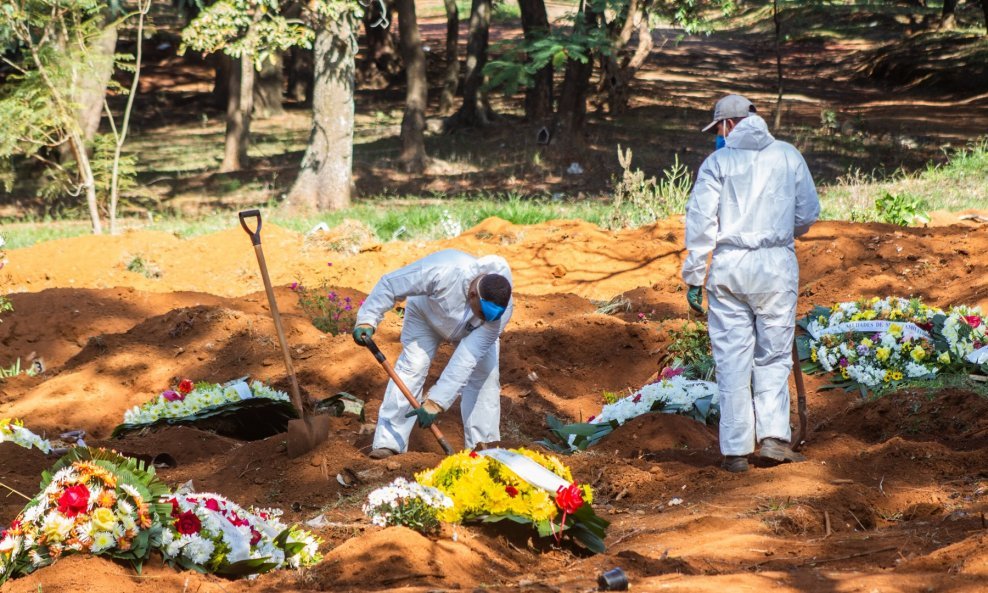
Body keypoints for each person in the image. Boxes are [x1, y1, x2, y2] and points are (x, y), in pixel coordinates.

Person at [682, 94, 820, 473]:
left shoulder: (718, 162)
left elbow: (700, 223)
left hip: (729, 266)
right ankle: (775, 438)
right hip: (776, 266)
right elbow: (808, 212)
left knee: (731, 359)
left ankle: (736, 450)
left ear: (728, 125)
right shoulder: (788, 155)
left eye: (719, 129)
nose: (718, 136)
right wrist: (776, 231)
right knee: (773, 355)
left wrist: (694, 275)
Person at [352, 249, 513, 459]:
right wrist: (368, 319)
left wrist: (436, 402)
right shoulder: (443, 270)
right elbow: (391, 284)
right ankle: (389, 444)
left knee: (485, 379)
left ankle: (485, 451)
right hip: (425, 316)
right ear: (473, 294)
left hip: (469, 332)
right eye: (481, 314)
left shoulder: (498, 315)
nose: (484, 319)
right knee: (412, 367)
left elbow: (467, 357)